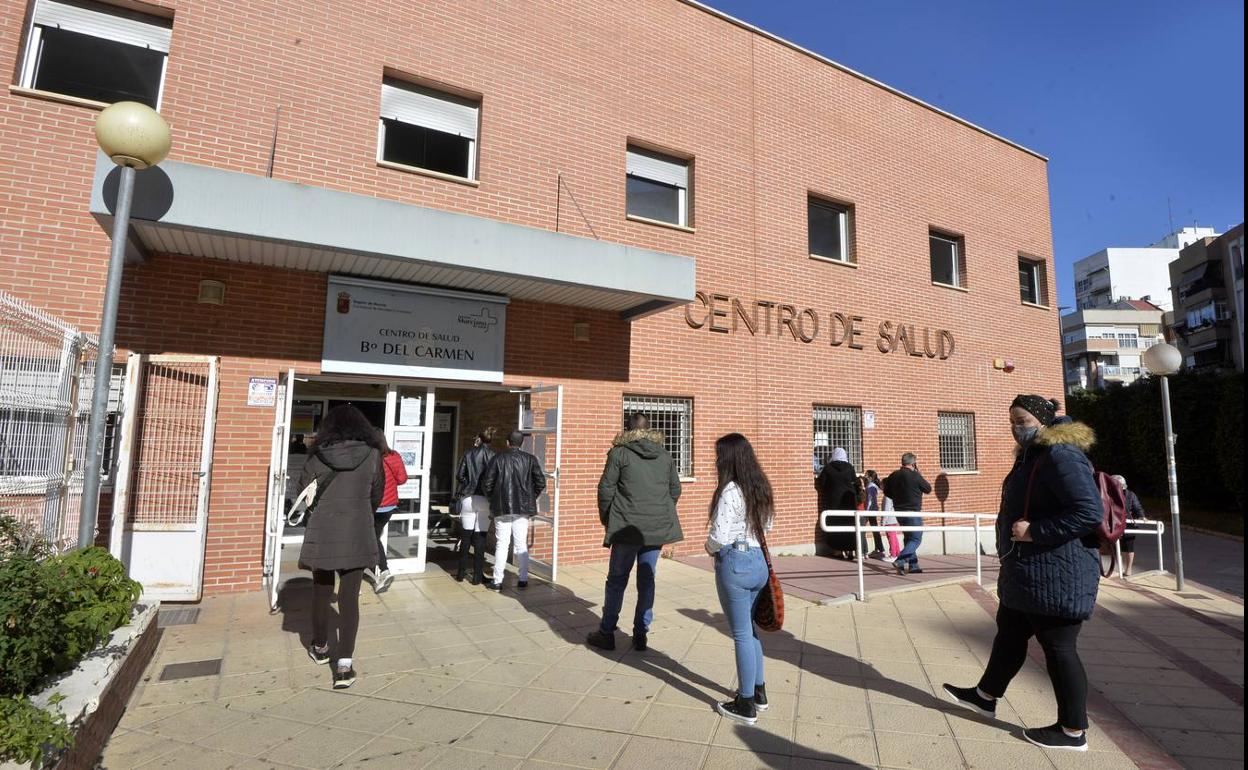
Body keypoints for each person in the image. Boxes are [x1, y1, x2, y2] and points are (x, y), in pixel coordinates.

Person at [943, 395, 1103, 752]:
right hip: (1030, 572)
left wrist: (1035, 532)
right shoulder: (1035, 456)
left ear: (1042, 420)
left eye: (1022, 419)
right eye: (1012, 420)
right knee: (1010, 635)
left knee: (1059, 649)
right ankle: (986, 695)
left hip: (1058, 572)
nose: (1016, 427)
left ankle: (1073, 730)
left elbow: (1088, 512)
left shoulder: (1061, 455)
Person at [296, 405, 384, 690]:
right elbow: (377, 493)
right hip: (357, 531)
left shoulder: (318, 456)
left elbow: (302, 492)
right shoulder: (372, 455)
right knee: (350, 599)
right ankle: (344, 665)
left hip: (324, 532)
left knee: (321, 593)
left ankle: (320, 646)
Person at [587, 414, 683, 652]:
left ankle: (607, 632)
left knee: (617, 581)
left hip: (626, 528)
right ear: (649, 430)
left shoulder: (619, 453)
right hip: (654, 529)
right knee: (647, 581)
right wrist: (658, 512)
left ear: (627, 429)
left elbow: (606, 488)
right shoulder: (664, 455)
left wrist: (608, 518)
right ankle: (641, 634)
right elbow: (675, 489)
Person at [706, 433, 775, 726]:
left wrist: (709, 548)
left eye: (719, 455)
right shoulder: (760, 486)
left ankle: (745, 702)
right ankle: (759, 693)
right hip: (759, 561)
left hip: (735, 562)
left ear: (729, 457)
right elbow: (769, 526)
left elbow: (719, 536)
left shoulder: (730, 491)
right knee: (751, 631)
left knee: (742, 634)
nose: (716, 460)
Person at [480, 429, 546, 591]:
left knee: (502, 544)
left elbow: (487, 483)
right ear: (521, 443)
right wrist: (530, 496)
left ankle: (497, 580)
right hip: (522, 508)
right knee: (521, 544)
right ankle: (523, 578)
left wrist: (493, 498)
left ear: (507, 442)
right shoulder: (530, 459)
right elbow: (540, 483)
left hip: (502, 507)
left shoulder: (498, 459)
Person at [454, 427, 497, 585]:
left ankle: (460, 573)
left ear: (479, 439)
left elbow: (459, 475)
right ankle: (477, 577)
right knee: (480, 538)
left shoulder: (468, 453)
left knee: (465, 537)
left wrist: (467, 482)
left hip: (468, 498)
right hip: (485, 499)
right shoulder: (494, 456)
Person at [368, 432, 408, 594]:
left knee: (372, 537)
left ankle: (383, 570)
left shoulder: (369, 457)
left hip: (373, 505)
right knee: (373, 536)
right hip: (389, 506)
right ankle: (377, 570)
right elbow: (402, 479)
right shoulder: (394, 456)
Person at [883, 452, 932, 574]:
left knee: (908, 538)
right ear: (913, 463)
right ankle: (900, 560)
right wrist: (918, 475)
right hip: (913, 512)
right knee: (916, 539)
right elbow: (928, 489)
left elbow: (887, 492)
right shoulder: (915, 476)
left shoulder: (893, 475)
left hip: (899, 511)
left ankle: (913, 565)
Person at [815, 447, 859, 559]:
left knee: (835, 525)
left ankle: (838, 550)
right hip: (848, 501)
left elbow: (822, 483)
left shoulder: (828, 468)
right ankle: (850, 551)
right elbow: (854, 481)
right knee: (850, 525)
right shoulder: (849, 467)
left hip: (834, 501)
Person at [1111, 475, 1147, 577]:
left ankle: (1128, 569)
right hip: (1115, 523)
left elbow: (1137, 507)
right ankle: (1120, 568)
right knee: (1116, 546)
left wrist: (1141, 516)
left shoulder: (1130, 495)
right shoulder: (1109, 494)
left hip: (1128, 524)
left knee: (1129, 547)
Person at [863, 470, 887, 560]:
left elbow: (870, 500)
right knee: (874, 529)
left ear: (869, 477)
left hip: (870, 511)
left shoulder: (871, 487)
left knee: (865, 528)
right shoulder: (871, 486)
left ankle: (880, 549)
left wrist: (867, 510)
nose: (864, 476)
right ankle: (879, 549)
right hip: (872, 510)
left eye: (866, 475)